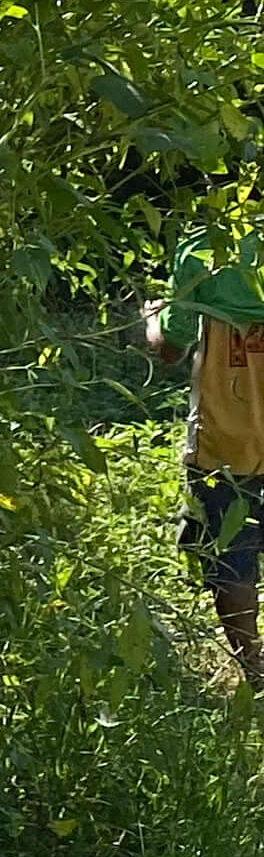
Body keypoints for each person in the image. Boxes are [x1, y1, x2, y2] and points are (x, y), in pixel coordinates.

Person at [142, 223, 264, 686]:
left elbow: (170, 349)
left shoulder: (205, 247)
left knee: (232, 552)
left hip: (227, 437)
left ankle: (254, 669)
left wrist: (152, 317)